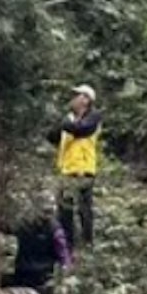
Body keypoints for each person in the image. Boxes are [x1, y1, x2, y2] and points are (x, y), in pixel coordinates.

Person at [3, 191, 73, 294]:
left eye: (49, 212)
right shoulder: (25, 225)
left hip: (41, 280)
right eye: (44, 211)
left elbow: (64, 256)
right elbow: (8, 228)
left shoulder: (54, 230)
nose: (46, 215)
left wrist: (63, 278)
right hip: (21, 275)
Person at [51, 85, 102, 249]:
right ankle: (68, 245)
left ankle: (88, 242)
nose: (73, 98)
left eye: (77, 95)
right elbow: (52, 136)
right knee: (64, 209)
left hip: (84, 169)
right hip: (67, 169)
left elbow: (82, 130)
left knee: (84, 208)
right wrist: (63, 124)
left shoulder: (93, 117)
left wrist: (66, 124)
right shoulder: (69, 118)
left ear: (87, 99)